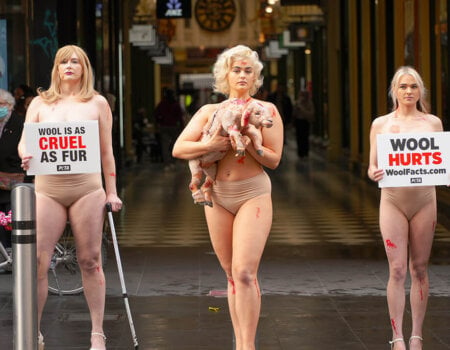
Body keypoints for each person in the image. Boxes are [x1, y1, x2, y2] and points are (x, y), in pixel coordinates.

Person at [172, 45, 283, 350]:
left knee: (246, 272)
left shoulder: (267, 111)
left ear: (256, 75)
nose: (242, 75)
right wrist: (215, 142)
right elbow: (179, 149)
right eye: (236, 70)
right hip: (218, 195)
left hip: (253, 194)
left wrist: (249, 143)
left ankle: (248, 346)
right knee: (231, 275)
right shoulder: (210, 112)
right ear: (225, 75)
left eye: (248, 70)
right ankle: (239, 343)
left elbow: (273, 160)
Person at [18, 45, 122, 350]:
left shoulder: (97, 103)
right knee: (38, 261)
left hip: (87, 189)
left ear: (84, 68)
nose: (69, 65)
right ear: (56, 68)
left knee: (89, 260)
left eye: (76, 61)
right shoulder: (39, 103)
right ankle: (32, 332)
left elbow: (106, 152)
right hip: (47, 188)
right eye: (64, 61)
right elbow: (25, 142)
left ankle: (97, 333)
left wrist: (112, 191)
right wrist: (26, 156)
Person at [368, 66, 443, 350]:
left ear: (420, 90)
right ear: (394, 91)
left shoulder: (432, 123)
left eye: (413, 86)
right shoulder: (381, 124)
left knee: (420, 267)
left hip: (425, 200)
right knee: (397, 269)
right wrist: (373, 172)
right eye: (403, 87)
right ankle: (397, 336)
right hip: (392, 201)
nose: (409, 91)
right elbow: (372, 166)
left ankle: (417, 335)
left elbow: (437, 158)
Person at [0, 89, 27, 252]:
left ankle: (14, 253)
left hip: (14, 181)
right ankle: (5, 254)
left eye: (0, 104)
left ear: (9, 106)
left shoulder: (20, 124)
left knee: (12, 218)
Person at [154, 88, 185, 169]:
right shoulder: (175, 104)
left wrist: (159, 122)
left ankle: (167, 163)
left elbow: (156, 114)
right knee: (174, 144)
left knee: (165, 145)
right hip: (174, 127)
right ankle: (172, 161)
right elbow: (180, 117)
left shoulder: (162, 104)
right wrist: (182, 126)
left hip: (164, 126)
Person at [293, 90, 314, 158]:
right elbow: (294, 113)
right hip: (299, 121)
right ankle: (300, 152)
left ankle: (305, 152)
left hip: (306, 121)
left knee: (305, 137)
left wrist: (302, 109)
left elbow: (311, 114)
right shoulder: (298, 103)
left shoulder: (309, 103)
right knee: (299, 137)